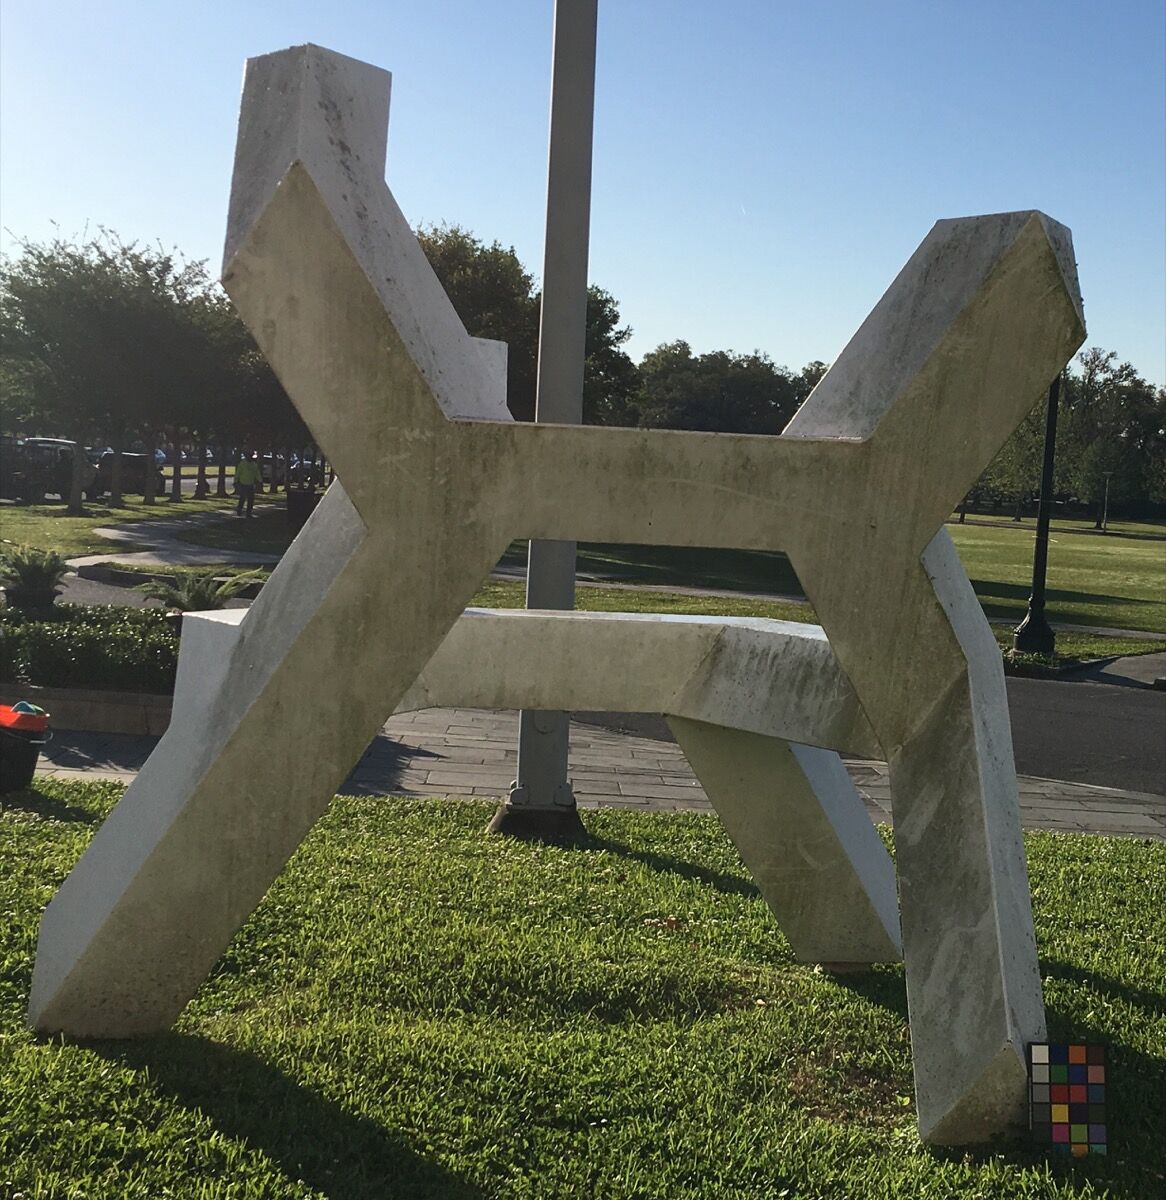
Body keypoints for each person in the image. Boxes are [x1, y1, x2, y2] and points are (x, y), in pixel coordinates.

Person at [235, 451, 262, 517]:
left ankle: (248, 512)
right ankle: (239, 510)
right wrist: (236, 481)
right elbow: (238, 473)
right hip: (243, 483)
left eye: (251, 456)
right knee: (242, 498)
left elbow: (257, 473)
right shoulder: (242, 463)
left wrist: (260, 480)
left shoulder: (254, 465)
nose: (250, 458)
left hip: (250, 484)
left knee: (251, 499)